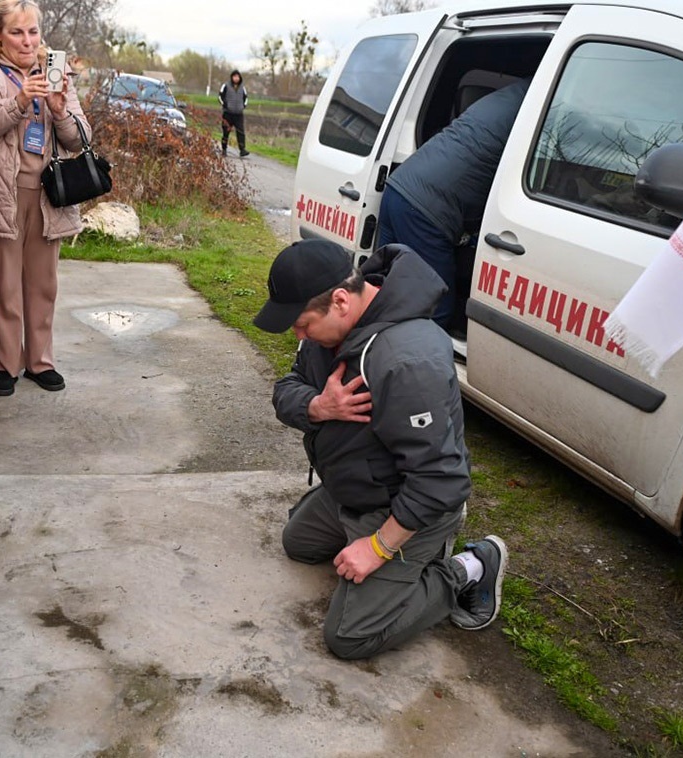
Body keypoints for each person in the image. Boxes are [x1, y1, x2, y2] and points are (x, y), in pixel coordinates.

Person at [253, 239, 508, 659]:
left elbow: (440, 479)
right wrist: (318, 406)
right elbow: (287, 388)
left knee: (349, 637)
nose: (299, 335)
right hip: (355, 487)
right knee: (298, 543)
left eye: (301, 324)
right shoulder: (327, 334)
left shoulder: (406, 362)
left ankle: (468, 567)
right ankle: (392, 560)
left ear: (339, 300)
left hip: (403, 505)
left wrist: (377, 548)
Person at [0, 0, 90, 396]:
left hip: (48, 196)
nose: (27, 41)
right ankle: (6, 366)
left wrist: (61, 111)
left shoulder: (56, 71)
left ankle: (39, 362)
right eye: (16, 32)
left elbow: (82, 137)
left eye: (32, 31)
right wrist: (17, 102)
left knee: (43, 284)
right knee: (5, 284)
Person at [377, 78, 531, 332]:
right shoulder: (542, 107)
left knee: (388, 288)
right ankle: (410, 364)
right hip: (425, 208)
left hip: (398, 187)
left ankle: (370, 351)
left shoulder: (510, 95)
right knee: (437, 305)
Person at [219, 70, 249, 157]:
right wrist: (225, 105)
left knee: (241, 132)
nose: (236, 78)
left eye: (238, 77)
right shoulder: (225, 86)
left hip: (239, 114)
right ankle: (224, 149)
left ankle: (242, 149)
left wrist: (243, 106)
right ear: (232, 77)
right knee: (226, 132)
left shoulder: (242, 87)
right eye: (234, 76)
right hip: (228, 113)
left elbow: (246, 98)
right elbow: (220, 97)